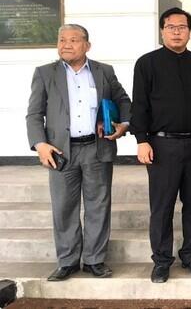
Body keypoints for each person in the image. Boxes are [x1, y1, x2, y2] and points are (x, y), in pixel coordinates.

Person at [26, 24, 131, 281]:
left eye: (73, 40)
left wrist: (122, 125)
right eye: (62, 40)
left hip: (96, 148)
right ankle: (68, 261)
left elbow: (123, 101)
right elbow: (34, 114)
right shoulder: (44, 73)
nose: (66, 44)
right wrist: (40, 144)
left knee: (98, 205)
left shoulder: (103, 71)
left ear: (87, 45)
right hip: (61, 151)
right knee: (64, 207)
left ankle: (95, 260)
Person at [130, 7, 191, 283]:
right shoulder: (147, 63)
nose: (177, 32)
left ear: (190, 30)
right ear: (162, 31)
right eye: (171, 27)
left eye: (182, 27)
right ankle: (162, 260)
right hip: (161, 146)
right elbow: (139, 105)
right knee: (162, 205)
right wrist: (141, 140)